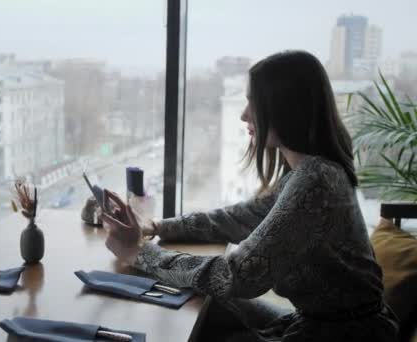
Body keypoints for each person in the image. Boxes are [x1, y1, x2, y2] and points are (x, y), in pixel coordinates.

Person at [101, 50, 399, 341]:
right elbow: (238, 218)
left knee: (202, 305)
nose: (244, 115)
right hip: (316, 323)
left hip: (343, 335)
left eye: (253, 103)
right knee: (200, 300)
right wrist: (155, 227)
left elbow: (236, 275)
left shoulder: (316, 180)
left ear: (285, 108)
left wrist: (138, 252)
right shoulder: (305, 174)